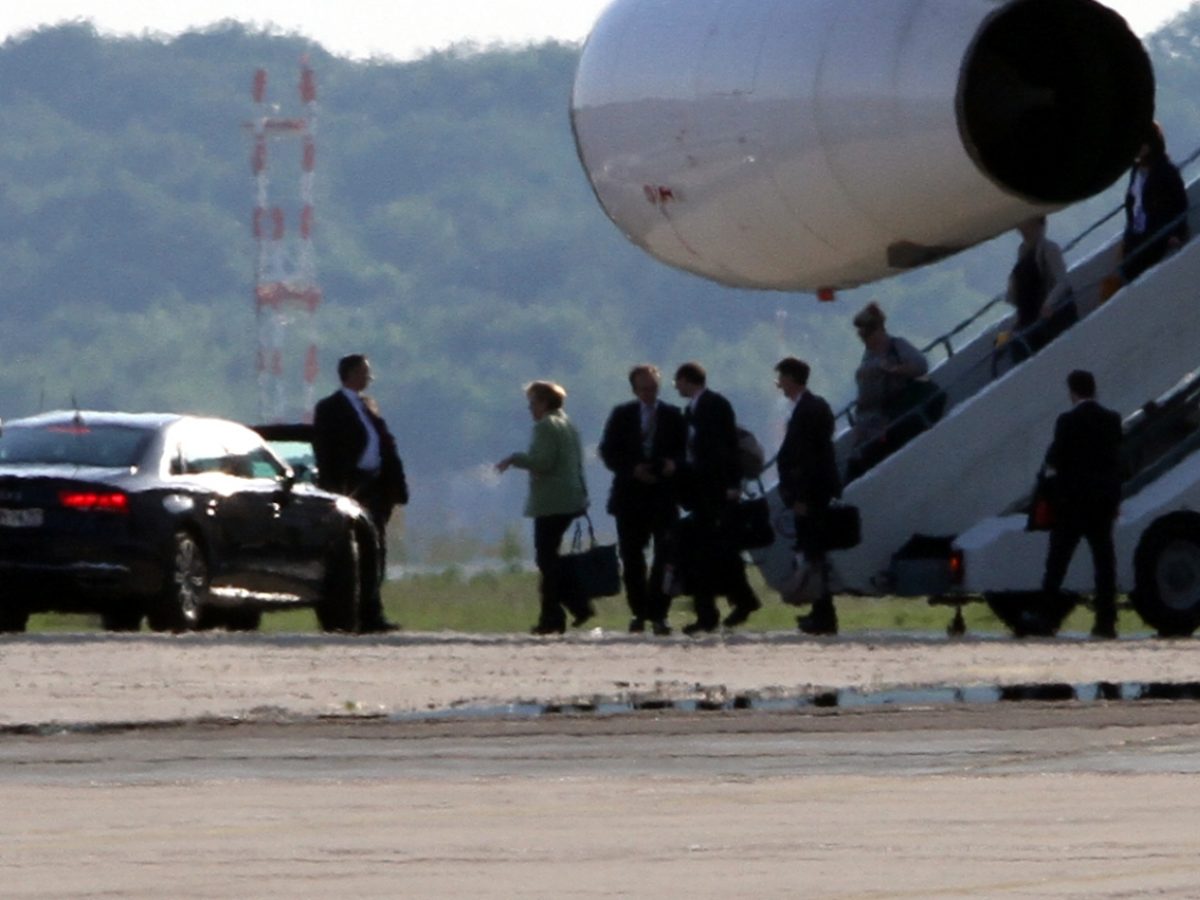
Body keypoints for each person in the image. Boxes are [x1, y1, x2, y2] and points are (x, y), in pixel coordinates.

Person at [312, 353, 409, 633]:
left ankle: (373, 613)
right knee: (357, 554)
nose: (369, 377)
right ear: (352, 373)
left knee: (376, 551)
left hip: (376, 487)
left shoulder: (368, 408)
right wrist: (334, 489)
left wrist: (395, 487)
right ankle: (355, 615)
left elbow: (385, 446)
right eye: (365, 372)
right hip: (352, 487)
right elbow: (325, 451)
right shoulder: (331, 408)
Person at [672, 361, 760, 635]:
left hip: (716, 491)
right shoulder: (693, 411)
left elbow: (726, 448)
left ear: (688, 380)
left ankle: (710, 612)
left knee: (709, 553)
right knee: (715, 553)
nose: (676, 387)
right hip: (702, 492)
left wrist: (732, 484)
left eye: (679, 382)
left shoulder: (715, 406)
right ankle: (735, 602)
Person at [496, 380, 590, 635]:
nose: (530, 409)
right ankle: (567, 609)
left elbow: (543, 462)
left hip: (552, 501)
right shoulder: (568, 424)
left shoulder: (546, 426)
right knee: (551, 559)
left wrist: (515, 459)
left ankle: (560, 613)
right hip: (570, 499)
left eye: (533, 403)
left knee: (546, 559)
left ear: (544, 402)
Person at [599, 364, 687, 636]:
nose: (649, 393)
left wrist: (672, 465)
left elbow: (684, 451)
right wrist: (632, 469)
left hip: (663, 497)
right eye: (644, 389)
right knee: (632, 559)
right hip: (630, 497)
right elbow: (608, 451)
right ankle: (638, 612)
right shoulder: (622, 415)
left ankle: (659, 613)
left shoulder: (673, 415)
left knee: (666, 556)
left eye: (653, 388)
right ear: (635, 389)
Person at [1039, 370, 1123, 639]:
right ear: (1094, 389)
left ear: (1072, 392)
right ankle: (1106, 620)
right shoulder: (1112, 420)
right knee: (1104, 562)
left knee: (1058, 561)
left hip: (1072, 502)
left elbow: (1054, 458)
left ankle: (1048, 617)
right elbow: (1116, 462)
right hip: (1102, 501)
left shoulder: (1067, 421)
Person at [774, 357, 843, 635]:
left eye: (781, 378)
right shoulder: (811, 407)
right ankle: (819, 611)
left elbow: (810, 458)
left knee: (814, 552)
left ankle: (824, 615)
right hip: (813, 492)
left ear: (791, 378)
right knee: (812, 553)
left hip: (811, 494)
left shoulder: (810, 410)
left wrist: (801, 495)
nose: (779, 384)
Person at [846, 302, 930, 480]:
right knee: (855, 467)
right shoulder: (868, 356)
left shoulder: (896, 346)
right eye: (861, 334)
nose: (864, 338)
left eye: (867, 332)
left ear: (878, 329)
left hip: (888, 419)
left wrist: (896, 369)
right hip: (868, 422)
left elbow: (921, 365)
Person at [1121, 122, 1190, 284]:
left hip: (1157, 236)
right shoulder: (1136, 171)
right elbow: (1133, 204)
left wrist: (1177, 233)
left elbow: (1180, 203)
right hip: (1136, 238)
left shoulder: (1166, 171)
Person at [1004, 216, 1073, 360]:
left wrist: (1048, 304)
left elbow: (1063, 281)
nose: (1021, 229)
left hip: (1047, 316)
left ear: (1038, 224)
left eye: (1025, 225)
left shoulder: (1049, 248)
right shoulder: (1023, 251)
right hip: (1029, 314)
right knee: (1011, 343)